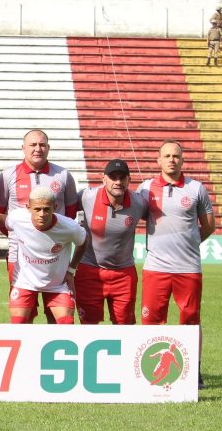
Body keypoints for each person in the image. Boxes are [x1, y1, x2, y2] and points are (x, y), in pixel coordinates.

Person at [137, 140, 215, 388]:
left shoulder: (196, 189)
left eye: (176, 156)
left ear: (183, 160)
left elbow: (209, 225)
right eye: (167, 156)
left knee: (190, 319)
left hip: (188, 268)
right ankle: (147, 368)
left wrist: (190, 244)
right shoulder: (146, 188)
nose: (172, 160)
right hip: (156, 267)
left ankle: (195, 371)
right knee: (151, 319)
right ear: (158, 160)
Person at [0, 128, 79, 322]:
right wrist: (23, 235)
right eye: (33, 145)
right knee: (23, 316)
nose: (37, 149)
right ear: (23, 148)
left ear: (48, 148)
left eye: (42, 145)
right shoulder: (7, 176)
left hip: (56, 255)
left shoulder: (63, 176)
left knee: (58, 316)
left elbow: (70, 215)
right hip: (19, 256)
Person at [74, 159, 148, 325]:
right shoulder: (87, 197)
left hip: (123, 273)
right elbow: (62, 210)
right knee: (88, 325)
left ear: (129, 180)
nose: (118, 182)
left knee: (125, 327)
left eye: (122, 178)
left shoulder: (139, 203)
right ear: (104, 179)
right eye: (113, 177)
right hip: (90, 271)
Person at [1, 186, 87, 324]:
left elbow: (84, 241)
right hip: (25, 281)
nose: (42, 214)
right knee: (18, 323)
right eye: (37, 209)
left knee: (66, 323)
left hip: (57, 284)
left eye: (47, 209)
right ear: (28, 207)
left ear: (55, 207)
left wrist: (71, 270)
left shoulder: (69, 227)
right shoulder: (17, 218)